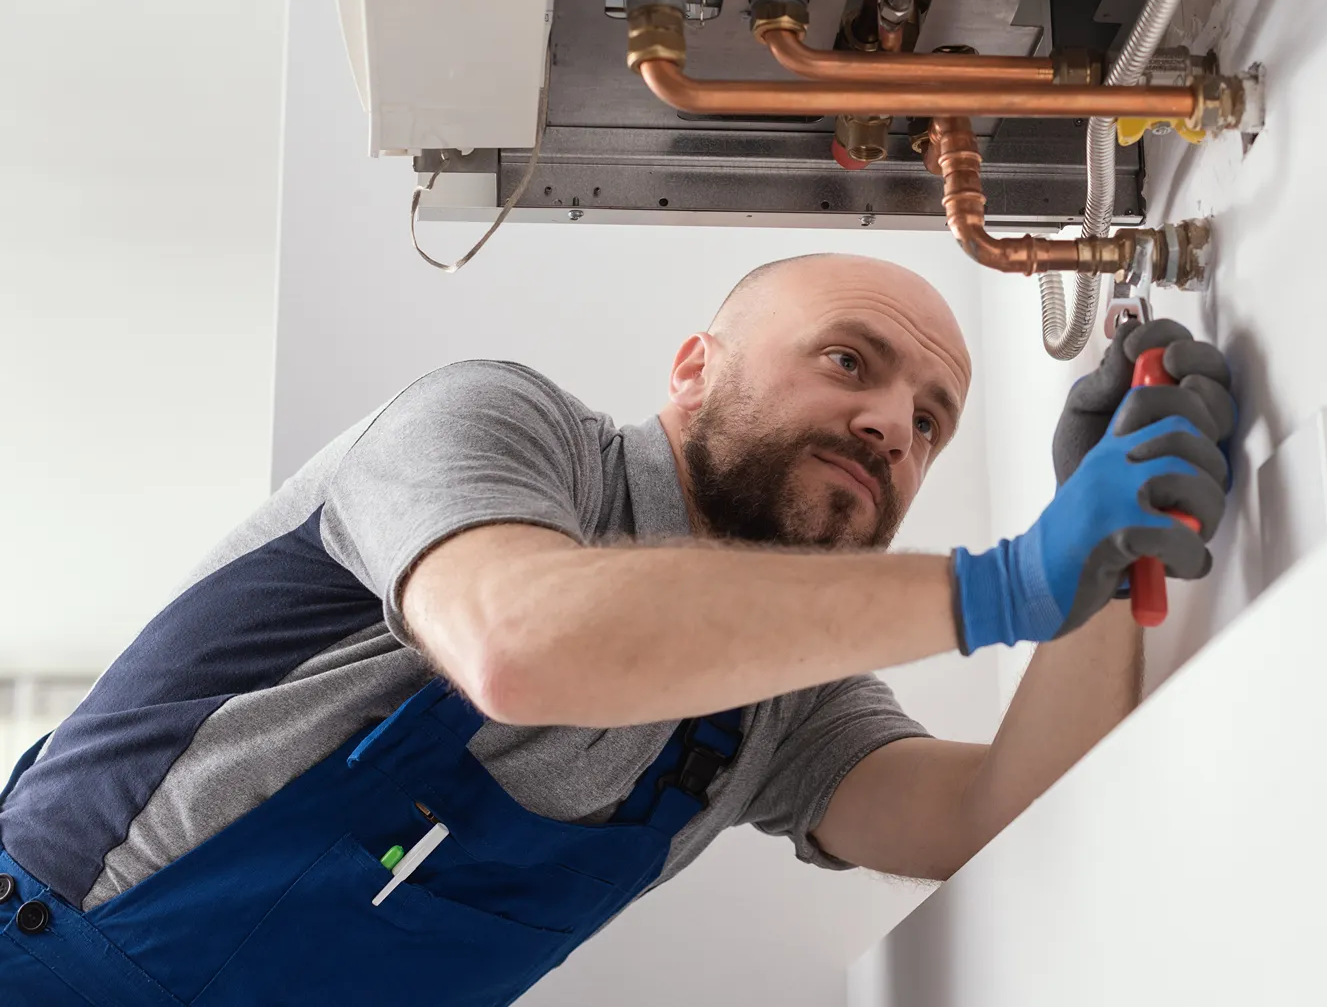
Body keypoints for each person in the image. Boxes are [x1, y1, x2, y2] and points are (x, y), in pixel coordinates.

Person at [0, 253, 1232, 1005]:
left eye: (930, 421)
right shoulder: (500, 430)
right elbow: (517, 642)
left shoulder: (779, 696)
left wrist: (1102, 569)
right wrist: (1007, 582)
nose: (891, 428)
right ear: (693, 367)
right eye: (848, 361)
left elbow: (989, 816)